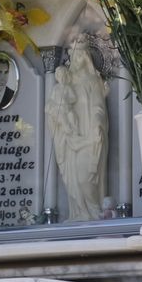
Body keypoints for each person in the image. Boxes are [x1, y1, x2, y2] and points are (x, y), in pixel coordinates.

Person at [47, 40, 108, 221]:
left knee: (85, 178)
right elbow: (54, 107)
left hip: (89, 134)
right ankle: (78, 213)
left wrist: (97, 123)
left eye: (80, 54)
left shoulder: (93, 80)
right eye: (74, 55)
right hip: (71, 138)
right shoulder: (64, 83)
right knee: (74, 180)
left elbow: (99, 106)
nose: (77, 58)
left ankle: (94, 213)